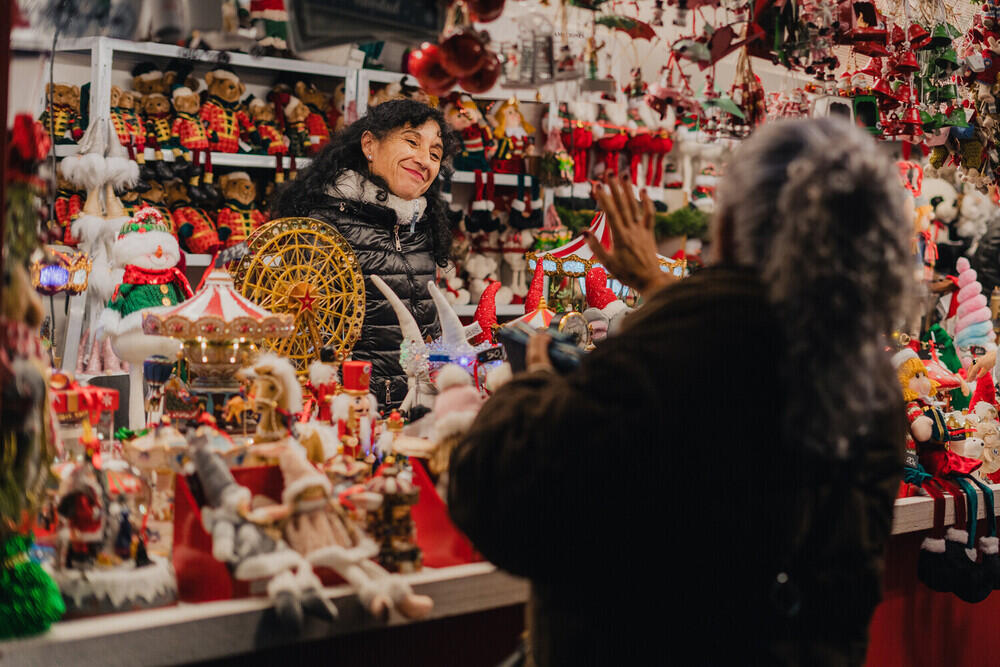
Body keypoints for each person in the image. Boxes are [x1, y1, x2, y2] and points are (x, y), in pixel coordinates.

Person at [448, 118, 912, 666]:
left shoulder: (681, 349)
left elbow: (498, 498)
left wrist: (532, 383)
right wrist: (662, 289)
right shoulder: (869, 374)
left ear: (734, 223)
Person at [274, 99, 460, 409]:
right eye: (412, 142)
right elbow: (299, 341)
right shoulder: (322, 227)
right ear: (369, 144)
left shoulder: (422, 230)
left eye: (435, 153)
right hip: (351, 417)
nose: (424, 159)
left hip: (418, 413)